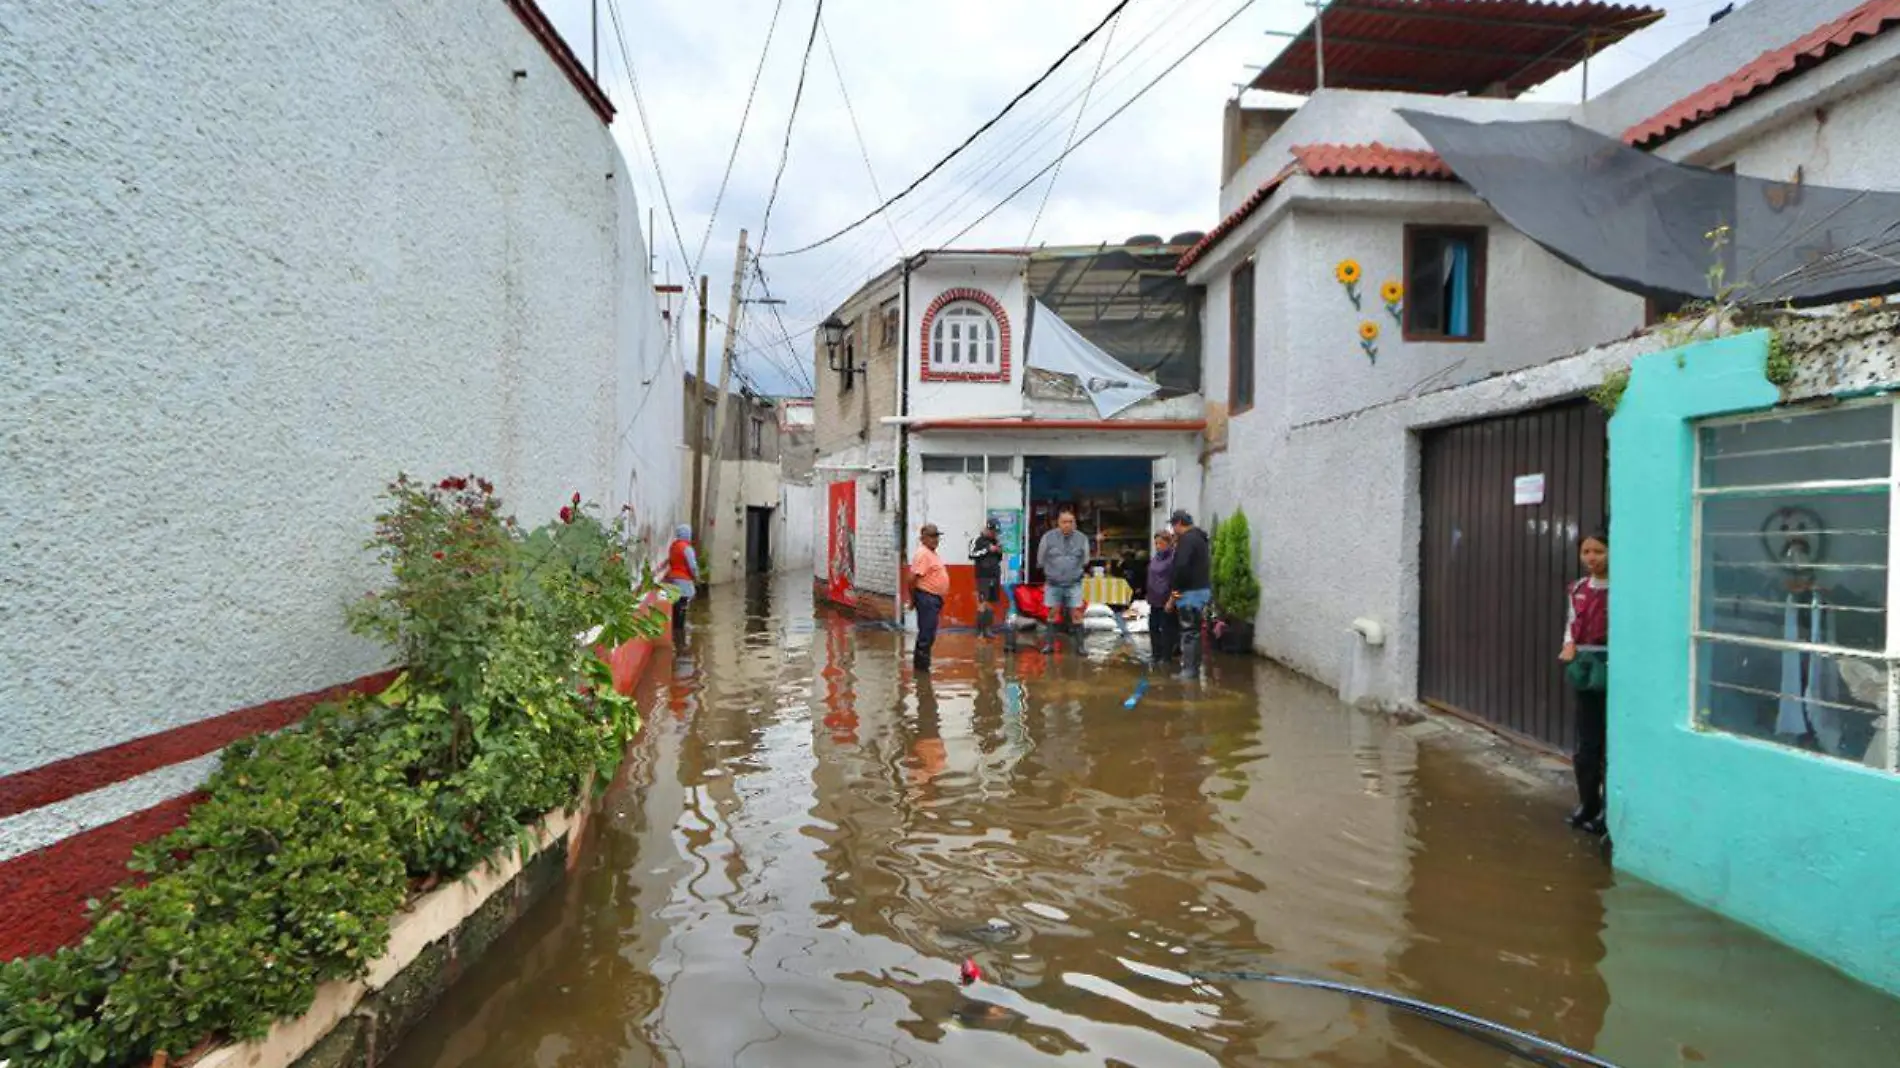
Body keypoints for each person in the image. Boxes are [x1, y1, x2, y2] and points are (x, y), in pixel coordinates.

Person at [1559, 531, 1610, 836]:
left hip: (1612, 668)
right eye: (1586, 552)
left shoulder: (1621, 589)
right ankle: (1587, 802)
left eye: (1599, 551)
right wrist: (1568, 645)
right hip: (1584, 669)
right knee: (1587, 742)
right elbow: (1571, 623)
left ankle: (1608, 809)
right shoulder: (1578, 588)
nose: (1592, 558)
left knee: (1612, 741)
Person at [1036, 509, 1089, 654]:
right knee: (1052, 613)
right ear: (1058, 523)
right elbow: (1040, 559)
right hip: (1053, 583)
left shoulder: (1082, 539)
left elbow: (1085, 560)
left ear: (1075, 523)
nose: (1067, 525)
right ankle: (1049, 645)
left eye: (1071, 522)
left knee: (1076, 614)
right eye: (1064, 522)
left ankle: (1080, 647)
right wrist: (1051, 572)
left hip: (1074, 583)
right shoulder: (1047, 538)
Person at [1167, 510, 1211, 680]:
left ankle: (1189, 671)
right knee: (1195, 632)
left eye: (1173, 526)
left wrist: (1175, 590)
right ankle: (1194, 668)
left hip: (1190, 593)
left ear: (1178, 523)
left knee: (1189, 632)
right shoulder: (1200, 539)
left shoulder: (1187, 540)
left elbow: (1181, 566)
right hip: (1201, 591)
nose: (1173, 530)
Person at [909, 523, 950, 673]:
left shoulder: (931, 553)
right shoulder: (923, 554)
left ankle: (922, 665)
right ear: (923, 538)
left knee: (929, 633)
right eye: (932, 536)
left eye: (937, 536)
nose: (936, 539)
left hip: (932, 599)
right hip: (926, 598)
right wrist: (914, 599)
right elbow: (911, 578)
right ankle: (921, 670)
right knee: (926, 635)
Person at [1146, 530, 1178, 666]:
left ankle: (1166, 657)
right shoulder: (1156, 558)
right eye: (1156, 543)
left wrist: (1172, 600)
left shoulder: (1173, 559)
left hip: (1167, 601)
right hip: (1154, 600)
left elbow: (1176, 581)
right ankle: (1155, 655)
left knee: (1167, 630)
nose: (1158, 546)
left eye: (1161, 543)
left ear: (1169, 543)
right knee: (1153, 627)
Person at [969, 518, 1004, 639]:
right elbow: (972, 554)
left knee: (990, 603)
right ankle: (979, 631)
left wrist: (999, 550)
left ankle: (988, 630)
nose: (995, 534)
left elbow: (999, 558)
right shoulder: (977, 540)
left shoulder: (996, 541)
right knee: (982, 603)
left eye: (996, 532)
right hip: (983, 576)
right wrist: (987, 550)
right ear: (988, 529)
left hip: (994, 575)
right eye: (993, 531)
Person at [666, 523, 699, 639]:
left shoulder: (673, 546)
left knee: (675, 606)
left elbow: (671, 562)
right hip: (683, 581)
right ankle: (680, 633)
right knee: (682, 606)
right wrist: (697, 577)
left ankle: (675, 631)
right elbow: (693, 566)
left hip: (672, 580)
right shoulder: (687, 548)